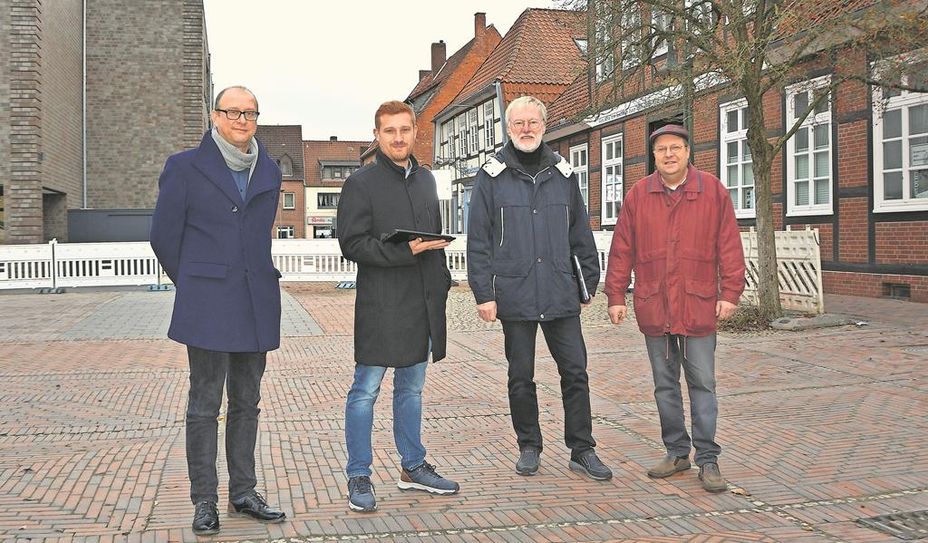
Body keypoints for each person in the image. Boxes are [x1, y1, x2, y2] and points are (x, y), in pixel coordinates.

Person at [150, 86, 287, 535]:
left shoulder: (268, 169)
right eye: (233, 112)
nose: (242, 120)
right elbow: (164, 238)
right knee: (205, 405)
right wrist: (193, 281)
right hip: (207, 303)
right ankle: (204, 500)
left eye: (250, 112)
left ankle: (243, 492)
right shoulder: (184, 167)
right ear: (215, 115)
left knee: (247, 403)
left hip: (255, 303)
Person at [466, 95, 612, 481]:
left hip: (560, 291)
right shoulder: (491, 176)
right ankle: (529, 445)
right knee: (520, 375)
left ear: (544, 127)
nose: (526, 129)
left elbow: (580, 232)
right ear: (508, 129)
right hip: (514, 293)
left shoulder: (564, 175)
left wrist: (588, 284)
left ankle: (582, 449)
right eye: (518, 124)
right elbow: (478, 239)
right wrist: (484, 293)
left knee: (576, 373)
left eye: (533, 122)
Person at [603, 124, 746, 493]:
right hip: (655, 305)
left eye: (676, 148)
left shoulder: (712, 190)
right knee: (664, 386)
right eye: (662, 149)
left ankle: (708, 458)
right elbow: (622, 250)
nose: (669, 154)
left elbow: (729, 244)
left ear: (687, 152)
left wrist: (730, 292)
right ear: (654, 156)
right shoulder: (639, 194)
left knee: (703, 383)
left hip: (698, 306)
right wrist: (615, 296)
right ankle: (677, 451)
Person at [336, 100, 459, 513]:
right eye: (390, 131)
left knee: (412, 390)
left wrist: (441, 279)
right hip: (381, 305)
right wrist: (405, 250)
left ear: (414, 132)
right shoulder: (360, 183)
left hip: (422, 302)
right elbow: (351, 244)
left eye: (405, 129)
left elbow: (432, 236)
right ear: (377, 135)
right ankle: (359, 474)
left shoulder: (425, 180)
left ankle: (413, 466)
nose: (399, 138)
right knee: (364, 392)